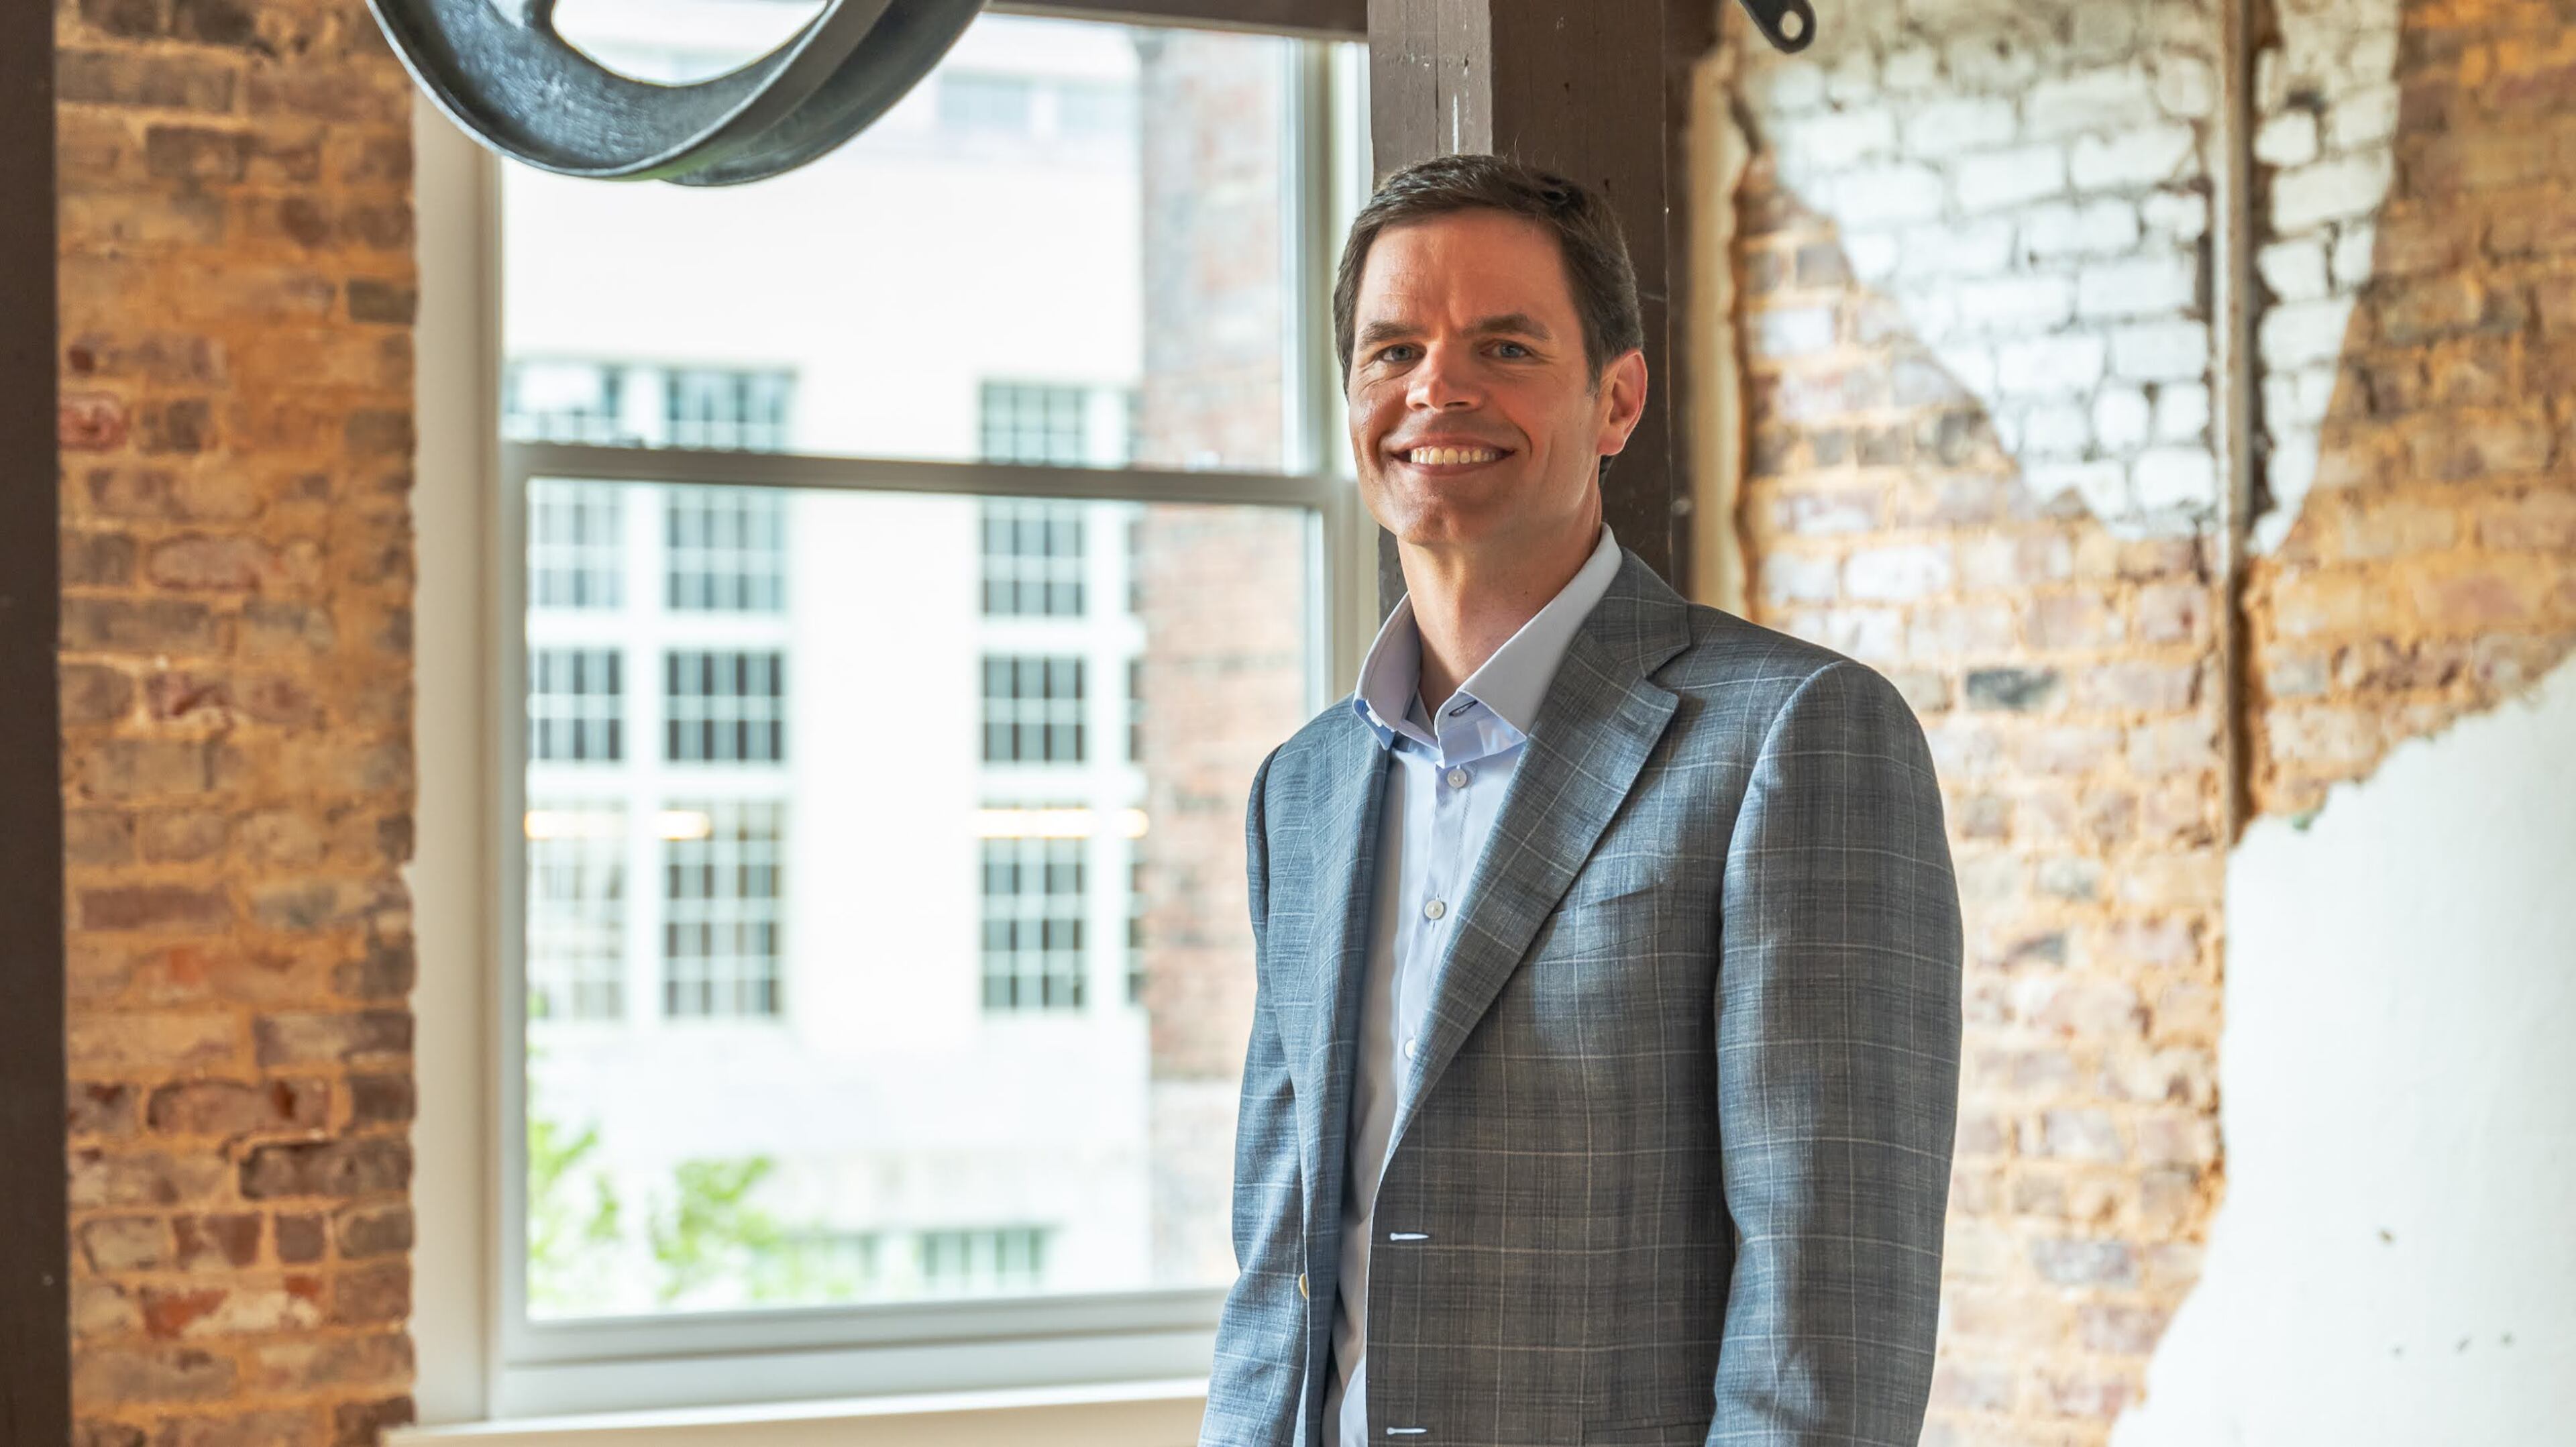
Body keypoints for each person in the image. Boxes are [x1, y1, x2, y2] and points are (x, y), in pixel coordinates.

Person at [1197, 152, 1964, 1447]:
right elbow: (1279, 1278)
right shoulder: (1303, 789)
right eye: (1393, 352)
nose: (1437, 387)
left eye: (1504, 346)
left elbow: (1827, 1318)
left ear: (1618, 399)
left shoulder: (1795, 738)